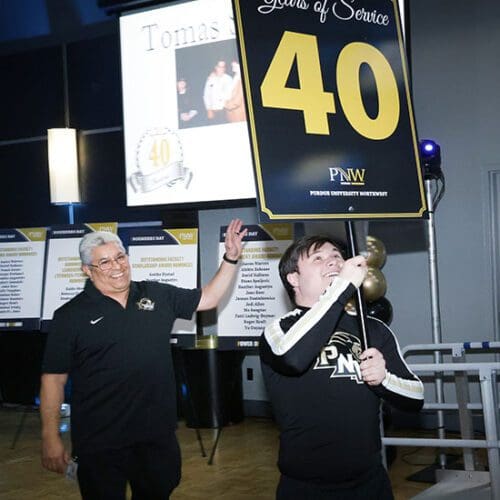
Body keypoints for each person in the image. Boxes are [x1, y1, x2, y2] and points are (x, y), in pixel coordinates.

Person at [40, 219, 247, 500]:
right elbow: (53, 379)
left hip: (155, 435)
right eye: (105, 262)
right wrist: (50, 436)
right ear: (86, 270)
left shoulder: (156, 295)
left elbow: (207, 299)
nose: (117, 266)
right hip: (100, 441)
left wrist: (231, 258)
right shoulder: (69, 316)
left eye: (120, 257)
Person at [259, 235, 424, 500]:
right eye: (318, 258)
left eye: (336, 255)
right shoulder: (279, 330)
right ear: (293, 278)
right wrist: (341, 288)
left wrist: (384, 379)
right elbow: (293, 358)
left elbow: (416, 398)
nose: (333, 261)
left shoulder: (372, 328)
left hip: (370, 483)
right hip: (306, 488)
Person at [203, 59, 233, 124]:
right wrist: (208, 109)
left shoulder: (228, 79)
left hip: (224, 111)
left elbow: (229, 96)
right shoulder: (210, 78)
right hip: (212, 111)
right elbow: (206, 95)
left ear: (225, 68)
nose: (221, 69)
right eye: (219, 66)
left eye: (223, 67)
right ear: (216, 67)